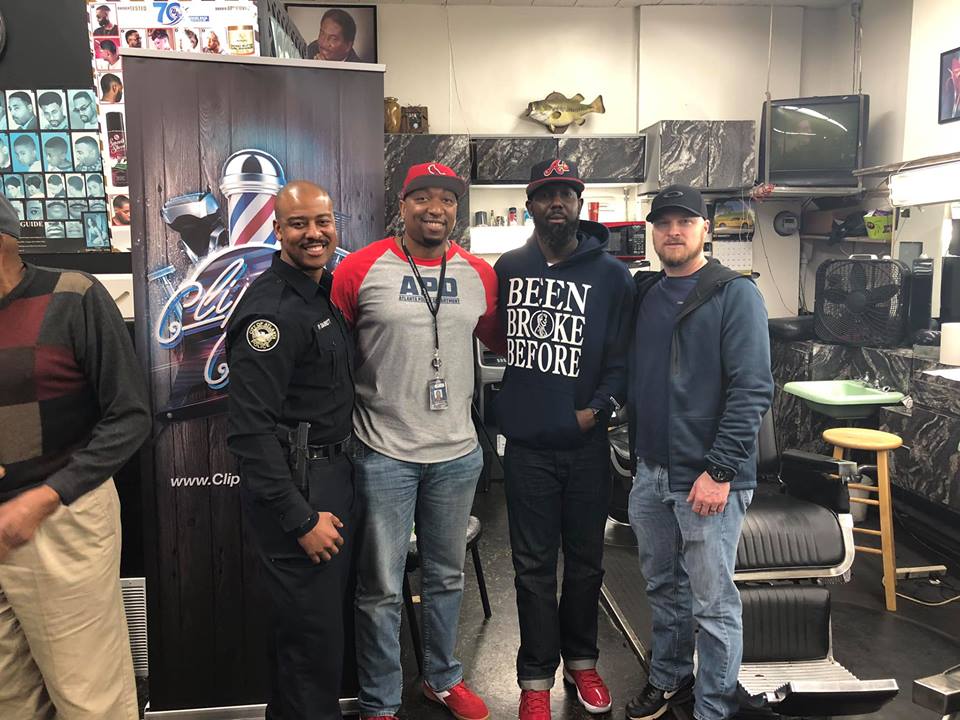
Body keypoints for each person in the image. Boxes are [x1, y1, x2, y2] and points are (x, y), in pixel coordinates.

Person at [331, 162, 498, 720]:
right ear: (402, 206)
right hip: (383, 451)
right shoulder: (359, 269)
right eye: (422, 197)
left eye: (446, 199)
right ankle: (380, 701)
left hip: (457, 453)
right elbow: (334, 352)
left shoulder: (479, 274)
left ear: (456, 209)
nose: (435, 209)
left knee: (446, 576)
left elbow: (498, 338)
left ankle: (441, 678)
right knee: (380, 585)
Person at [624, 185, 773, 720]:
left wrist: (720, 470)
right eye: (663, 223)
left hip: (707, 476)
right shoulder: (645, 292)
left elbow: (753, 388)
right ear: (653, 232)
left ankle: (714, 708)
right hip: (650, 472)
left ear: (704, 229)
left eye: (684, 222)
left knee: (712, 604)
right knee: (663, 588)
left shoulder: (735, 294)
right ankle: (669, 679)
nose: (673, 232)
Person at [493, 159, 634, 720]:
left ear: (580, 204)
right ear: (530, 204)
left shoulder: (613, 277)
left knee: (585, 563)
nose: (557, 202)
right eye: (546, 194)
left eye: (566, 194)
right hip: (527, 449)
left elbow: (622, 361)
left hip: (585, 448)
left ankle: (582, 662)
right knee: (531, 567)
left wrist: (594, 412)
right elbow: (494, 338)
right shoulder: (509, 268)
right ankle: (535, 679)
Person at [0, 194, 150, 719]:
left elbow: (130, 416)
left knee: (90, 699)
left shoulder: (72, 295)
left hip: (60, 518)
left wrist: (45, 496)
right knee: (11, 700)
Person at [226, 181, 355, 720]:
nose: (314, 233)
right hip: (301, 489)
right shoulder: (272, 313)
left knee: (312, 638)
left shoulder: (320, 291)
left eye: (322, 221)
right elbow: (249, 432)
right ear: (277, 230)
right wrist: (301, 518)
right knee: (311, 646)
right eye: (298, 224)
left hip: (333, 475)